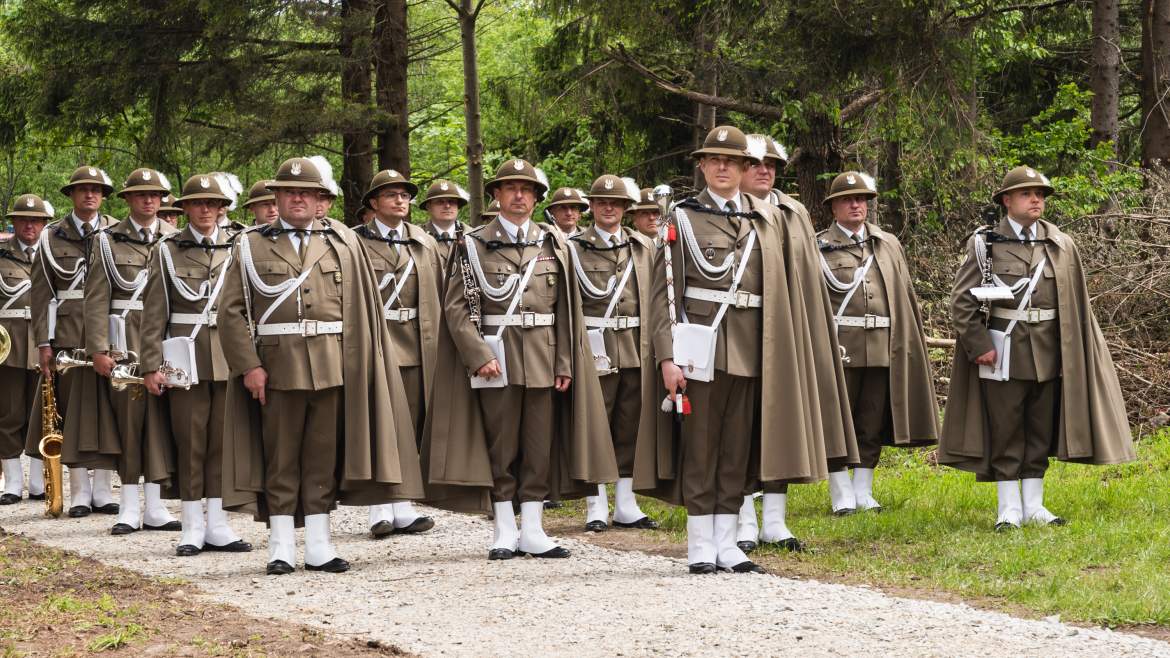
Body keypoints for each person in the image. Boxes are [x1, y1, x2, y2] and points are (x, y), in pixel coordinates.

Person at [640, 126, 856, 574]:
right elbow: (664, 295)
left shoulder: (766, 220)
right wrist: (666, 357)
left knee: (738, 448)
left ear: (743, 168)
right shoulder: (679, 218)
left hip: (753, 349)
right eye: (714, 160)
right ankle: (700, 542)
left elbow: (783, 290)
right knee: (701, 448)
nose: (723, 168)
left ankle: (728, 542)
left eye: (732, 161)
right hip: (700, 349)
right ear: (701, 166)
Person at [217, 157, 423, 575]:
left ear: (320, 201)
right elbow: (231, 313)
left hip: (334, 366)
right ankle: (279, 546)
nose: (297, 199)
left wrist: (360, 366)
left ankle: (318, 544)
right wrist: (249, 366)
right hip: (276, 368)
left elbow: (362, 313)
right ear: (276, 198)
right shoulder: (250, 245)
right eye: (289, 192)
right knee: (280, 460)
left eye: (306, 193)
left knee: (321, 459)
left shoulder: (342, 243)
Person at [422, 158, 616, 561]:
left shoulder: (552, 243)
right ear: (496, 195)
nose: (519, 195)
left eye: (527, 189)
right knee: (501, 446)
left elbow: (567, 310)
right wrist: (478, 355)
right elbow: (456, 309)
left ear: (535, 197)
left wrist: (565, 362)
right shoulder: (471, 244)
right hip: (498, 359)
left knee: (538, 446)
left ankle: (533, 529)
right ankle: (503, 528)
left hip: (544, 359)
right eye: (510, 188)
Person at [939, 165, 1134, 530]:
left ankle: (1034, 506)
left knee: (1040, 430)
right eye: (1028, 194)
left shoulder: (1059, 243)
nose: (1036, 200)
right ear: (1006, 200)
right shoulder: (985, 243)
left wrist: (1071, 352)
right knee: (1006, 428)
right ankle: (1008, 508)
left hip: (1049, 351)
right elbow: (963, 302)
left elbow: (1074, 305)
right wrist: (979, 345)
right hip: (1003, 350)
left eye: (1041, 195)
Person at [732, 132, 857, 551]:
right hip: (740, 337)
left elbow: (808, 282)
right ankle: (744, 520)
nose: (764, 170)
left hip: (789, 338)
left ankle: (775, 521)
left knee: (783, 425)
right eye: (754, 164)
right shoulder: (727, 211)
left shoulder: (794, 211)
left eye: (771, 165)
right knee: (743, 427)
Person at [139, 174, 251, 555]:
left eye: (213, 203)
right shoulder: (166, 250)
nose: (206, 209)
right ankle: (190, 525)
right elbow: (153, 313)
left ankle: (218, 523)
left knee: (223, 443)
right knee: (190, 442)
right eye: (198, 203)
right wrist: (150, 365)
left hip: (229, 358)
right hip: (183, 360)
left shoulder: (240, 246)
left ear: (223, 209)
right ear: (184, 208)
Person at [815, 171, 939, 514]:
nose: (856, 205)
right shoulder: (817, 246)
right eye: (848, 199)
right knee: (839, 420)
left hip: (882, 342)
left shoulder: (886, 244)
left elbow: (904, 294)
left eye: (862, 200)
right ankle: (841, 493)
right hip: (841, 344)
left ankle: (863, 490)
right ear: (834, 207)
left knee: (871, 420)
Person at [84, 168, 181, 535]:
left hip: (162, 343)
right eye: (141, 194)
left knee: (160, 426)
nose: (149, 200)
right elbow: (96, 299)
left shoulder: (175, 238)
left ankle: (155, 506)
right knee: (129, 424)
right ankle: (127, 506)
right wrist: (97, 349)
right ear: (126, 199)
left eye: (155, 194)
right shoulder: (107, 241)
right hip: (124, 344)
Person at [27, 165, 121, 518]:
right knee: (75, 415)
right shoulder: (52, 237)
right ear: (71, 194)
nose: (90, 195)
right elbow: (41, 295)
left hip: (111, 336)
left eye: (97, 189)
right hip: (69, 336)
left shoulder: (115, 231)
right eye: (83, 189)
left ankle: (103, 491)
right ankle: (80, 491)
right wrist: (43, 343)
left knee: (110, 414)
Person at [570, 174, 658, 532]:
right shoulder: (573, 248)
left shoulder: (641, 246)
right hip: (596, 346)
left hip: (635, 347)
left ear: (626, 208)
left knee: (630, 426)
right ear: (591, 207)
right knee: (596, 425)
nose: (609, 208)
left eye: (617, 203)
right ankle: (595, 504)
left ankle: (626, 503)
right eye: (602, 202)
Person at [359, 168, 441, 538]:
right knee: (379, 423)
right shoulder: (355, 241)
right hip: (377, 341)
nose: (400, 200)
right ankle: (379, 505)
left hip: (414, 341)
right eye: (391, 195)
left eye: (405, 195)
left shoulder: (423, 242)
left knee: (409, 423)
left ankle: (403, 506)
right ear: (374, 203)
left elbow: (438, 292)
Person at [0, 195, 50, 504]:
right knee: (9, 413)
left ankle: (39, 482)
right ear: (14, 223)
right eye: (23, 219)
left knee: (42, 414)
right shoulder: (2, 256)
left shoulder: (53, 254)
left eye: (35, 220)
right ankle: (12, 484)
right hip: (9, 344)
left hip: (44, 343)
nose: (29, 225)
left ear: (44, 224)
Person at [418, 179, 470, 267]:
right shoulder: (417, 236)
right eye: (440, 202)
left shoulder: (471, 235)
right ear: (428, 207)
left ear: (458, 206)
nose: (447, 206)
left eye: (452, 201)